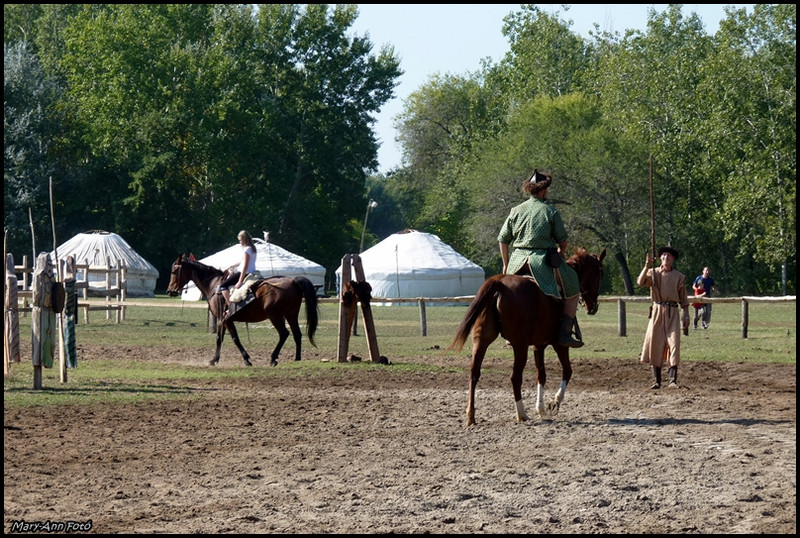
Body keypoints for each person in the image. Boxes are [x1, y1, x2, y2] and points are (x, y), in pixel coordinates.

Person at [498, 169, 583, 347]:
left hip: (517, 261)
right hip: (541, 261)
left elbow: (503, 240)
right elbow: (563, 241)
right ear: (543, 191)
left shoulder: (515, 210)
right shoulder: (550, 211)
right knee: (573, 285)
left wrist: (506, 265)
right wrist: (560, 253)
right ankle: (564, 333)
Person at [637, 246, 690, 389]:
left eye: (669, 256)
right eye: (664, 255)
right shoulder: (653, 273)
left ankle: (672, 380)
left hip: (672, 311)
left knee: (674, 344)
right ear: (661, 258)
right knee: (656, 342)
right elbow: (640, 282)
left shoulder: (679, 277)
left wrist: (686, 315)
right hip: (657, 311)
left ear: (673, 259)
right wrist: (647, 265)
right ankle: (656, 381)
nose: (666, 258)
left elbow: (683, 299)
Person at [219, 230, 257, 306]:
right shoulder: (253, 248)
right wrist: (230, 266)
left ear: (244, 239)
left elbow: (245, 266)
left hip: (244, 273)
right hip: (252, 272)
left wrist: (240, 281)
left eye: (240, 240)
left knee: (222, 286)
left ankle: (230, 306)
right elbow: (241, 262)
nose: (240, 242)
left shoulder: (247, 249)